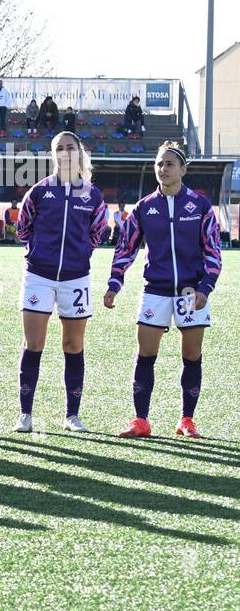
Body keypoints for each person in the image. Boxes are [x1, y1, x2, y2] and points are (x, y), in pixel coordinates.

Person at [105, 142, 221, 438]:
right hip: (155, 290)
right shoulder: (145, 207)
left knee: (192, 354)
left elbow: (213, 252)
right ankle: (141, 420)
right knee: (146, 354)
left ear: (183, 169)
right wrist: (114, 283)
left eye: (170, 164)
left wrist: (205, 288)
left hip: (190, 291)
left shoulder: (201, 205)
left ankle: (187, 420)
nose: (163, 169)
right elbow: (125, 248)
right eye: (159, 164)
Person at [13, 132, 108, 433]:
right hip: (39, 276)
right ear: (52, 155)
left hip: (75, 278)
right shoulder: (39, 192)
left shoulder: (92, 195)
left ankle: (72, 416)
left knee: (73, 344)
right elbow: (22, 228)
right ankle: (25, 415)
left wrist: (78, 256)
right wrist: (39, 254)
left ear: (80, 153)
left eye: (71, 148)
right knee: (34, 343)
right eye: (59, 149)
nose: (65, 153)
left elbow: (98, 232)